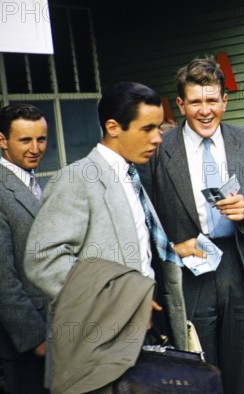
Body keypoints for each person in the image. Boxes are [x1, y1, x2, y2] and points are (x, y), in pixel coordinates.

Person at [24, 82, 200, 391]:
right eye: (148, 129)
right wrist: (123, 303)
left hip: (147, 328)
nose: (158, 138)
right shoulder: (77, 179)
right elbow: (43, 260)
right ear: (113, 127)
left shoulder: (132, 175)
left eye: (158, 128)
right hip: (102, 339)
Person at [143, 56, 244, 394]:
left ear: (224, 101)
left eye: (212, 100)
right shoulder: (158, 150)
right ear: (180, 104)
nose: (205, 111)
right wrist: (168, 253)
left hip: (241, 266)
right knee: (196, 374)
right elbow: (144, 220)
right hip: (189, 269)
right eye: (196, 102)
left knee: (242, 375)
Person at [0, 104, 49, 393]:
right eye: (25, 140)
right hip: (25, 344)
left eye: (41, 139)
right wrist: (35, 337)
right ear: (2, 140)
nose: (35, 148)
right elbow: (2, 279)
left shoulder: (29, 181)